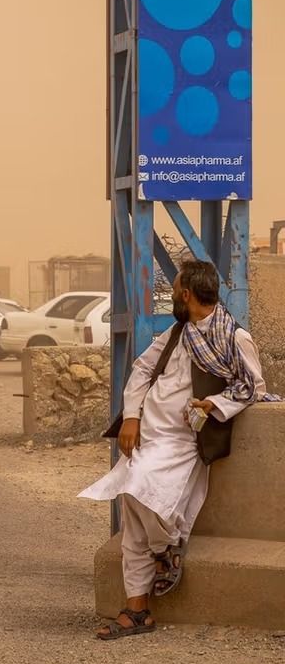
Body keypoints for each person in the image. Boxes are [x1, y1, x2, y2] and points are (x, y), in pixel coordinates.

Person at [80, 260, 278, 640]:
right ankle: (138, 610)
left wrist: (214, 403)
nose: (172, 296)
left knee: (140, 490)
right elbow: (142, 370)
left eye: (174, 291)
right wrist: (132, 417)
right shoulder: (177, 332)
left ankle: (166, 547)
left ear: (186, 294)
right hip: (149, 437)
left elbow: (253, 386)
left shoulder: (234, 337)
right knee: (132, 515)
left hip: (183, 442)